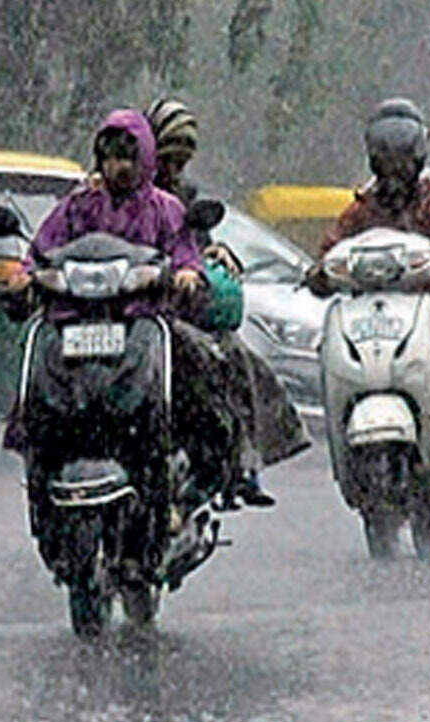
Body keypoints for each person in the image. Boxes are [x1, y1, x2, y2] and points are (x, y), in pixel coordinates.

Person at [0, 109, 238, 510]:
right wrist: (25, 276)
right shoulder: (78, 207)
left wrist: (186, 275)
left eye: (127, 157)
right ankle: (37, 454)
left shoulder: (165, 209)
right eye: (109, 158)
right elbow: (42, 250)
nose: (118, 167)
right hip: (72, 319)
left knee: (203, 370)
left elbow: (186, 255)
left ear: (145, 158)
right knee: (37, 371)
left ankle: (212, 465)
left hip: (142, 318)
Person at [145, 97, 309, 508]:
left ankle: (240, 460)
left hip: (177, 308)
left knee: (231, 358)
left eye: (182, 159)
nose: (174, 168)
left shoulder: (184, 199)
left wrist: (214, 255)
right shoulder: (120, 193)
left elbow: (194, 246)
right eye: (167, 156)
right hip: (126, 307)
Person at [307, 97, 430, 478]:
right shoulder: (361, 209)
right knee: (327, 347)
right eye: (386, 156)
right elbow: (330, 248)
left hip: (427, 308)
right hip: (367, 313)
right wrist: (319, 272)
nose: (395, 166)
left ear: (418, 154)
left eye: (402, 155)